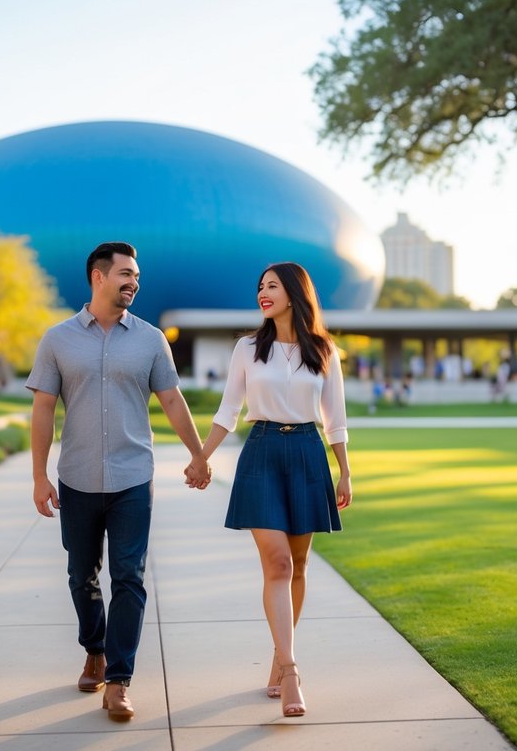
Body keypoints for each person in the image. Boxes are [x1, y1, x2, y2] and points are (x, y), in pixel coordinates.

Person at [26, 241, 211, 723]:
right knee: (80, 574)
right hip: (77, 478)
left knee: (129, 577)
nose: (134, 282)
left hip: (133, 477)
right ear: (98, 277)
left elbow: (172, 401)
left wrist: (198, 454)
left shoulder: (151, 339)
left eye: (137, 277)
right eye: (126, 274)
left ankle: (119, 680)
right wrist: (39, 476)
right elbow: (43, 408)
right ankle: (95, 648)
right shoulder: (57, 339)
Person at [198, 262, 352, 718]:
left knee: (299, 564)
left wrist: (345, 470)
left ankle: (277, 656)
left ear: (295, 294)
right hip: (262, 451)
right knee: (278, 561)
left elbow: (335, 418)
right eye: (260, 287)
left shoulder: (324, 350)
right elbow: (229, 409)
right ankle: (290, 671)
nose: (263, 293)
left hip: (307, 451)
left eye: (272, 286)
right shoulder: (247, 348)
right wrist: (202, 455)